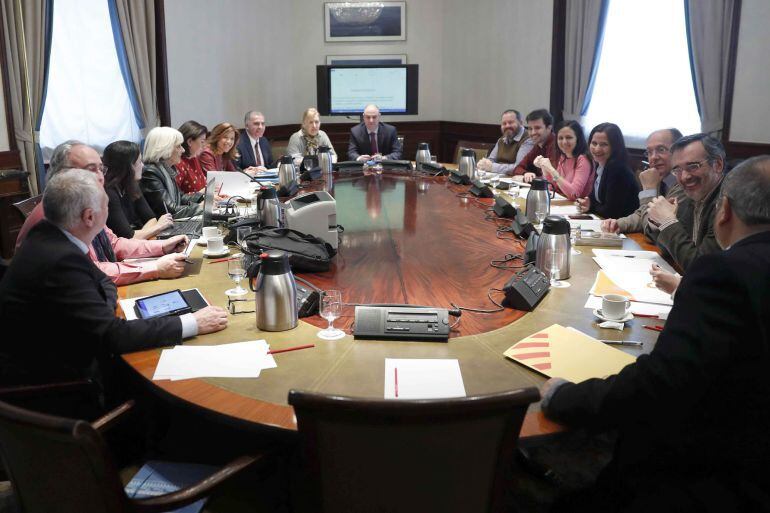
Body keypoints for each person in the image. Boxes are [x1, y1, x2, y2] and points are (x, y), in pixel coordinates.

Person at [540, 156, 770, 512]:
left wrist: (565, 397)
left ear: (724, 211)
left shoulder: (724, 273)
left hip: (714, 476)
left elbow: (659, 385)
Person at [0, 168, 228, 388]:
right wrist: (193, 323)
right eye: (106, 206)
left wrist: (103, 300)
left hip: (54, 355)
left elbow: (103, 281)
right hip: (58, 387)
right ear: (90, 217)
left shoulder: (48, 235)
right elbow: (113, 335)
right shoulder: (62, 260)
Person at [17, 141, 190, 286]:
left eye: (101, 169)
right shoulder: (55, 212)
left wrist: (162, 247)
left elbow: (113, 243)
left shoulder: (83, 202)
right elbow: (92, 271)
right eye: (91, 169)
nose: (100, 177)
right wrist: (155, 268)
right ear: (63, 174)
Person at [646, 133, 725, 271]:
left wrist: (668, 223)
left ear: (717, 164)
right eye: (677, 170)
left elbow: (702, 268)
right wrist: (658, 222)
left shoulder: (726, 204)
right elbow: (669, 249)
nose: (684, 177)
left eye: (693, 166)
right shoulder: (690, 195)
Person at [601, 128, 685, 234]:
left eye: (661, 149)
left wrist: (649, 189)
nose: (653, 157)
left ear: (679, 152)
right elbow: (641, 214)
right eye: (649, 152)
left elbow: (651, 229)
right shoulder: (657, 178)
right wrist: (617, 224)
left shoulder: (684, 185)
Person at [102, 140, 173, 240]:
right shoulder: (109, 194)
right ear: (128, 166)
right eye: (139, 162)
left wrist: (142, 234)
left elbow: (151, 218)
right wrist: (159, 227)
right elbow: (128, 237)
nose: (143, 166)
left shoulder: (131, 185)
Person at [576, 123, 640, 219]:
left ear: (615, 147)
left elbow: (611, 212)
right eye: (594, 143)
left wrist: (591, 206)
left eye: (604, 144)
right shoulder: (601, 165)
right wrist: (587, 203)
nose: (597, 149)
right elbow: (594, 199)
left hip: (625, 229)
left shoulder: (618, 170)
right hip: (607, 222)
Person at [140, 126, 204, 219]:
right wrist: (200, 208)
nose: (183, 150)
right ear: (164, 148)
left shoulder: (167, 168)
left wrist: (203, 197)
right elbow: (169, 210)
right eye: (178, 146)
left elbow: (180, 197)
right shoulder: (150, 173)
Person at [532, 120, 593, 200]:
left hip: (579, 208)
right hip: (565, 204)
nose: (564, 142)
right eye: (560, 138)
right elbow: (553, 187)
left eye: (569, 137)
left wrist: (551, 169)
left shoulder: (583, 159)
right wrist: (545, 169)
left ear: (577, 139)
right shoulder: (563, 156)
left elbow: (574, 194)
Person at [476, 109, 534, 175]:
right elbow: (491, 160)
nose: (507, 126)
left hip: (518, 181)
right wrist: (484, 164)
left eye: (511, 122)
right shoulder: (501, 139)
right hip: (499, 178)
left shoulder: (528, 139)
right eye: (504, 123)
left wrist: (492, 167)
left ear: (521, 123)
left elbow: (519, 167)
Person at [511, 109, 559, 181]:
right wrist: (525, 173)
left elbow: (553, 178)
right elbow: (517, 168)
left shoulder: (557, 145)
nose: (533, 132)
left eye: (537, 128)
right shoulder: (538, 146)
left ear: (549, 128)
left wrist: (526, 178)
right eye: (530, 128)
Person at [175, 120, 209, 194]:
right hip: (191, 205)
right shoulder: (178, 162)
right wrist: (202, 193)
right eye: (202, 142)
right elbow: (177, 197)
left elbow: (203, 184)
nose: (205, 146)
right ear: (190, 142)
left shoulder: (194, 157)